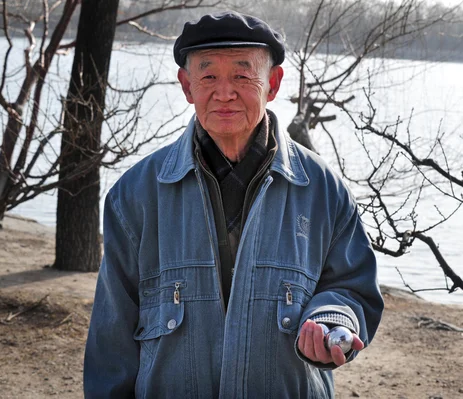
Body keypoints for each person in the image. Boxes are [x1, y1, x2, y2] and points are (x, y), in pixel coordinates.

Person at [84, 11, 384, 398]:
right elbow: (112, 340)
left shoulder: (323, 189)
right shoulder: (135, 194)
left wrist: (333, 321)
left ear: (272, 83)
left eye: (242, 76)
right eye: (208, 76)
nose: (224, 92)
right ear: (187, 86)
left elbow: (352, 288)